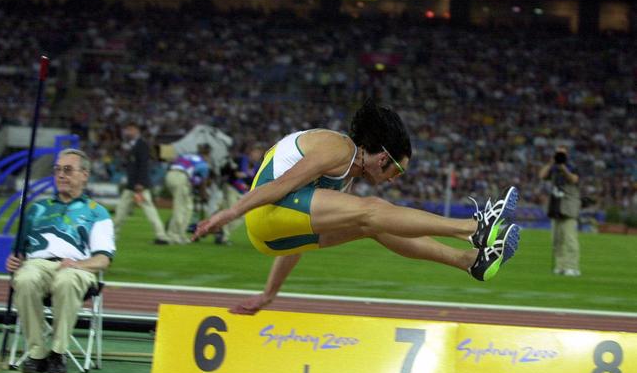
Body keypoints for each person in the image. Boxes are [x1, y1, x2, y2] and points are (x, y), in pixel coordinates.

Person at [194, 99, 521, 314]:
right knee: (371, 209)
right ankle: (473, 228)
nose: (395, 178)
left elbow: (298, 230)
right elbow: (279, 187)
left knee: (375, 224)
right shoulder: (338, 148)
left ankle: (469, 261)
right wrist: (228, 214)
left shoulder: (345, 178)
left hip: (270, 238)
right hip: (262, 212)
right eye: (398, 169)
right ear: (382, 157)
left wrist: (268, 295)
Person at [6, 149, 115, 373]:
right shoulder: (37, 209)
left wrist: (78, 265)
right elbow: (19, 253)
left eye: (68, 170)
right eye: (57, 170)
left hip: (78, 268)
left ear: (84, 174)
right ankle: (36, 353)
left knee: (66, 279)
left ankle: (58, 353)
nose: (61, 175)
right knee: (24, 278)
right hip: (38, 264)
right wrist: (14, 262)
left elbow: (103, 259)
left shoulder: (97, 212)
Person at [113, 122, 169, 245]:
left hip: (138, 186)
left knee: (148, 210)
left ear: (136, 130)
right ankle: (112, 235)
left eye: (129, 129)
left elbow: (143, 165)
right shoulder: (133, 145)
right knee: (121, 210)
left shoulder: (141, 145)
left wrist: (140, 183)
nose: (127, 132)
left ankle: (162, 236)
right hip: (131, 185)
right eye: (126, 130)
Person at [539, 144, 581, 276]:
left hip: (569, 207)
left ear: (567, 155)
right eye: (558, 154)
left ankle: (572, 267)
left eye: (562, 154)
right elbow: (542, 175)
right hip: (556, 207)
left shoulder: (572, 167)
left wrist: (563, 168)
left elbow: (574, 179)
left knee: (570, 239)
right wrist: (552, 162)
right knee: (557, 240)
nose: (560, 156)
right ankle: (560, 266)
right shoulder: (553, 168)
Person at [165, 147, 210, 244]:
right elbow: (203, 183)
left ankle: (180, 234)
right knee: (181, 208)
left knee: (188, 207)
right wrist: (204, 196)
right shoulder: (203, 163)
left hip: (170, 175)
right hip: (181, 177)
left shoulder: (187, 156)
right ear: (206, 155)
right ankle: (173, 235)